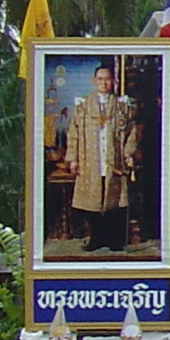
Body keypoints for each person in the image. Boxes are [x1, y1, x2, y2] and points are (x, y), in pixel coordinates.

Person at [63, 63, 138, 253]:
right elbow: (73, 133)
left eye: (107, 79)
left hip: (114, 162)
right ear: (94, 81)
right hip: (90, 161)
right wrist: (73, 159)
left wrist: (128, 153)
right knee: (92, 201)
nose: (103, 83)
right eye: (100, 79)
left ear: (112, 82)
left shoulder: (121, 106)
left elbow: (132, 131)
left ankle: (114, 240)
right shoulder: (83, 106)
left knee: (114, 201)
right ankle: (96, 238)